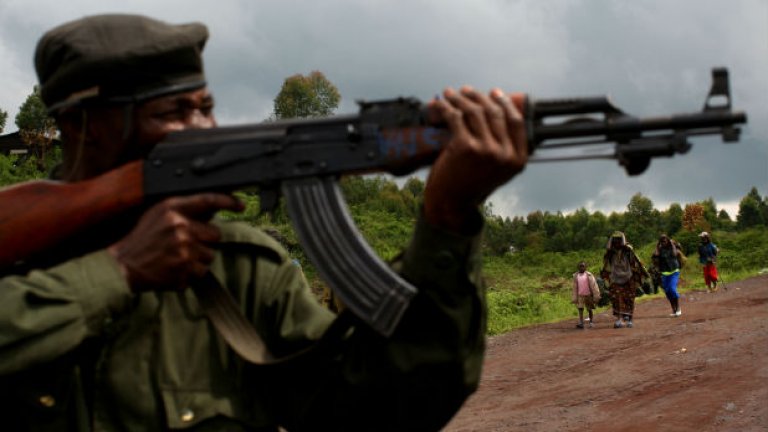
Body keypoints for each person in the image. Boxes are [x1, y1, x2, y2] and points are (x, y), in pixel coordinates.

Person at [0, 14, 529, 431]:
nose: (204, 128)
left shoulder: (239, 267)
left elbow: (377, 411)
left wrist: (446, 216)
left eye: (206, 107)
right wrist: (119, 271)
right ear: (81, 124)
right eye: (174, 112)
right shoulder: (17, 252)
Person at [601, 231, 649, 329]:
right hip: (615, 278)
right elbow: (608, 249)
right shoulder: (611, 252)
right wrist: (612, 237)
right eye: (615, 241)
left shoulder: (628, 250)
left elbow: (635, 261)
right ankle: (620, 319)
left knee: (629, 298)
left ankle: (630, 319)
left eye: (619, 241)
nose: (617, 243)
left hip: (628, 277)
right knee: (617, 297)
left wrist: (622, 235)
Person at [653, 234, 682, 317]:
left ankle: (678, 308)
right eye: (662, 241)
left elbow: (675, 254)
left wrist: (672, 244)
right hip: (664, 273)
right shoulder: (660, 249)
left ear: (668, 241)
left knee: (672, 289)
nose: (663, 243)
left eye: (665, 241)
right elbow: (656, 255)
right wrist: (657, 245)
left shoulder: (672, 248)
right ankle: (674, 309)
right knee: (667, 291)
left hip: (674, 271)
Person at [571, 261, 600, 329]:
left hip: (588, 295)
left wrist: (596, 294)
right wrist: (574, 296)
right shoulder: (576, 276)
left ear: (586, 267)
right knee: (580, 308)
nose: (581, 268)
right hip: (580, 295)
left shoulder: (589, 275)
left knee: (589, 309)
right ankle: (581, 323)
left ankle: (591, 322)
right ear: (578, 267)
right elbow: (574, 287)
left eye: (583, 266)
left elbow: (594, 285)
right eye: (580, 266)